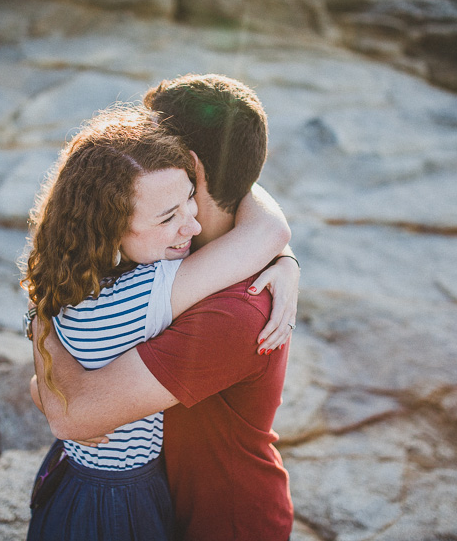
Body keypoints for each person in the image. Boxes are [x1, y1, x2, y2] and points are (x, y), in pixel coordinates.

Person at [32, 74, 298, 541]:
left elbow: (74, 415)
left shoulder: (233, 311)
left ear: (190, 169)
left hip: (222, 522)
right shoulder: (172, 251)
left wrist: (41, 323)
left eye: (154, 137)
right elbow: (244, 195)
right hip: (159, 502)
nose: (140, 144)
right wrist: (284, 249)